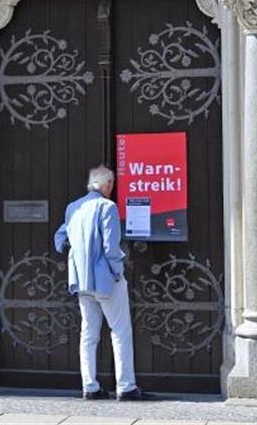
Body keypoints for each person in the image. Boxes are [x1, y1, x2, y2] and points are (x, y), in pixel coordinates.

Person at [53, 165, 151, 401]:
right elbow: (110, 247)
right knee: (120, 332)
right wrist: (119, 272)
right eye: (112, 184)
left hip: (82, 281)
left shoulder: (73, 207)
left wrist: (73, 255)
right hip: (106, 281)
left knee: (88, 334)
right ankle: (126, 387)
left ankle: (90, 386)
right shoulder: (108, 207)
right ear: (107, 185)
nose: (112, 188)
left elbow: (60, 237)